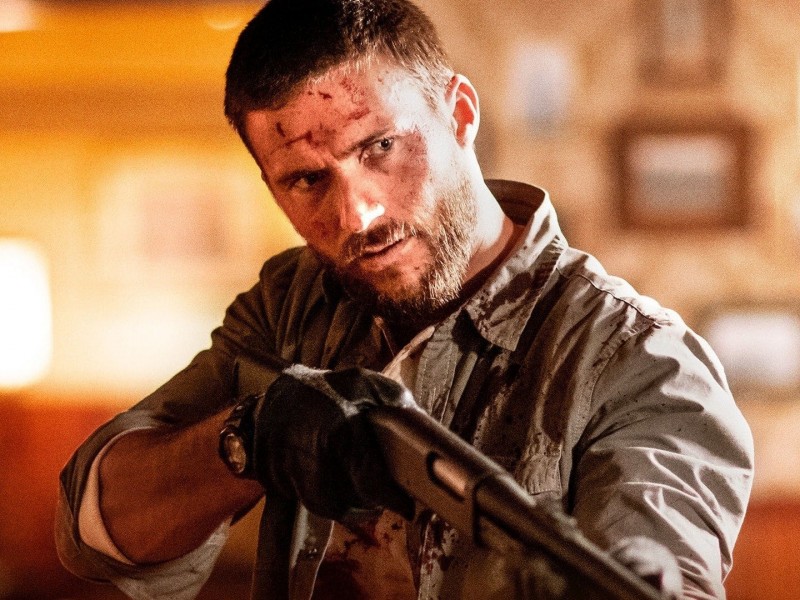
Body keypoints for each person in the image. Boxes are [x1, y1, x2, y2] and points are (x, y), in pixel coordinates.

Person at [55, 0, 754, 598]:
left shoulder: (643, 362)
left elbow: (662, 561)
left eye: (380, 146)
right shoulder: (292, 304)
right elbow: (94, 529)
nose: (357, 214)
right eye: (306, 180)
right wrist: (249, 440)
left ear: (460, 113)